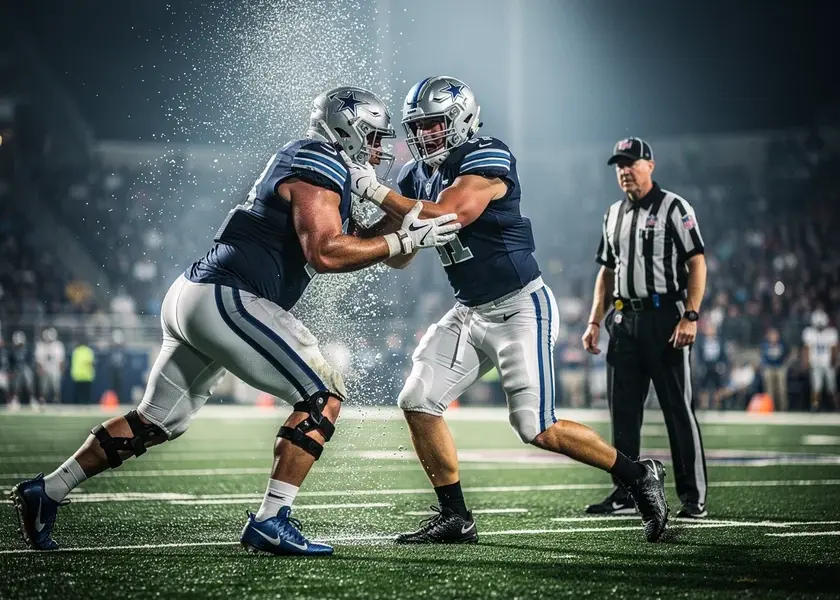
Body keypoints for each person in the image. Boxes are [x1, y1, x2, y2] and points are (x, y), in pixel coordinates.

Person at [10, 86, 460, 555]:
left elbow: (369, 246)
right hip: (228, 294)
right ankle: (271, 519)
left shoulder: (321, 164)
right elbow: (326, 252)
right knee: (322, 394)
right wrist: (401, 241)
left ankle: (49, 490)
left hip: (200, 294)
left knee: (156, 421)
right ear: (346, 128)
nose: (377, 149)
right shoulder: (318, 160)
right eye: (370, 136)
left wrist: (397, 220)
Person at [348, 77, 669, 544]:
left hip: (521, 306)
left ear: (461, 119)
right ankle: (456, 516)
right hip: (470, 310)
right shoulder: (415, 176)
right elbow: (398, 254)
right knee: (417, 399)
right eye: (418, 127)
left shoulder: (487, 156)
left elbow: (450, 215)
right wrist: (356, 210)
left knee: (535, 427)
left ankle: (638, 474)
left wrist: (375, 191)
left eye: (435, 125)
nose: (425, 136)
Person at [581, 137, 709, 520]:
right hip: (623, 320)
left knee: (676, 408)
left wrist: (690, 314)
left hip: (664, 319)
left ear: (649, 166)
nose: (624, 171)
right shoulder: (612, 213)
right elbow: (606, 271)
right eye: (620, 165)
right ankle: (625, 492)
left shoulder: (674, 206)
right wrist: (593, 320)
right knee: (622, 412)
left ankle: (692, 497)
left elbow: (697, 261)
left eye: (631, 163)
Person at [802, 309, 838, 411]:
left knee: (832, 387)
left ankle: (835, 406)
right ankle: (815, 405)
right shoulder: (809, 332)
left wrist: (834, 362)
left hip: (828, 363)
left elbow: (834, 349)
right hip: (816, 363)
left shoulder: (831, 332)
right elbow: (807, 348)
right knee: (816, 386)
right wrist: (806, 362)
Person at [760, 327, 789, 411]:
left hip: (780, 367)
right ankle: (771, 407)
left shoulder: (782, 344)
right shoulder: (765, 344)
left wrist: (784, 364)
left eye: (775, 335)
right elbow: (763, 357)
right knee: (769, 389)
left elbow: (786, 355)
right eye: (772, 335)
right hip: (769, 367)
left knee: (781, 388)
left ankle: (783, 408)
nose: (773, 337)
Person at [35, 327, 66, 404]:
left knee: (56, 385)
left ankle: (57, 399)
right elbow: (38, 360)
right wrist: (40, 369)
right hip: (45, 368)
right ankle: (42, 399)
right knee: (44, 386)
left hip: (55, 368)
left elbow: (61, 360)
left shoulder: (58, 345)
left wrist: (61, 370)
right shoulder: (41, 345)